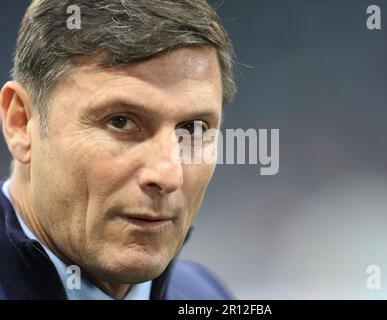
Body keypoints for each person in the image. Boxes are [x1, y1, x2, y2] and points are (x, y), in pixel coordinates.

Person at [0, 0, 235, 300]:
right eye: (121, 122)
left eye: (192, 129)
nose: (168, 175)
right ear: (21, 123)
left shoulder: (206, 295)